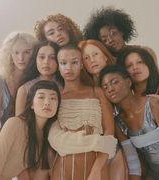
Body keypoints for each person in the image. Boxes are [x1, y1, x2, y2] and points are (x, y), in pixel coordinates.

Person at [100, 65, 159, 180]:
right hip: (153, 172)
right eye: (105, 87)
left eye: (115, 82)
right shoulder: (118, 122)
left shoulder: (153, 104)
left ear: (129, 82)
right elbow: (133, 160)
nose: (110, 89)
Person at [0, 80, 61, 180]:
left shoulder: (47, 141)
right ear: (31, 105)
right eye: (41, 97)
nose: (47, 102)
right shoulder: (15, 124)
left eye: (53, 98)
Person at [48, 44, 117, 180]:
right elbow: (51, 140)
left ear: (81, 65)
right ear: (58, 66)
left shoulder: (96, 92)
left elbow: (109, 132)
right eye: (63, 63)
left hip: (96, 167)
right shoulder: (55, 97)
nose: (68, 67)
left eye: (74, 62)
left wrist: (98, 168)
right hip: (62, 168)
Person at [83, 7, 159, 97]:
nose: (110, 40)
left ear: (122, 31)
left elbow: (158, 78)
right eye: (104, 39)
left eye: (113, 33)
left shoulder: (145, 52)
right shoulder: (107, 63)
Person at [79, 39, 128, 180]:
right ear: (82, 64)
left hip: (123, 144)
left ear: (105, 56)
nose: (92, 60)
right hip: (92, 148)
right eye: (86, 58)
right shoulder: (83, 89)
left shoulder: (121, 80)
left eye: (95, 54)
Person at [0, 31, 38, 144]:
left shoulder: (38, 80)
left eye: (27, 52)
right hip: (5, 143)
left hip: (32, 144)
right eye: (16, 52)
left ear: (34, 53)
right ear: (9, 54)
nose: (21, 57)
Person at [16, 41, 63, 115]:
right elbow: (19, 122)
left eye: (52, 58)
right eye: (42, 57)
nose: (46, 62)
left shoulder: (64, 87)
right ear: (35, 59)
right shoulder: (24, 90)